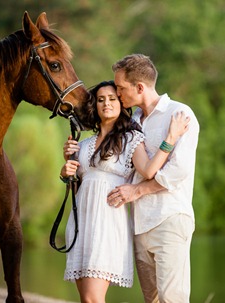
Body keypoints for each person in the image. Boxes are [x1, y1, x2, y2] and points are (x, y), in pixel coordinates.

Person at [60, 80, 190, 303]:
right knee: (86, 299)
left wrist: (170, 139)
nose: (106, 104)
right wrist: (66, 170)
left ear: (121, 105)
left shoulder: (130, 138)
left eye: (112, 99)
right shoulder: (83, 144)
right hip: (81, 222)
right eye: (101, 100)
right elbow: (78, 185)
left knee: (93, 298)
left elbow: (149, 171)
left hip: (107, 223)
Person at [107, 54, 200, 303]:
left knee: (173, 298)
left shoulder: (179, 113)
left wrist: (136, 192)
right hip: (139, 224)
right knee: (152, 299)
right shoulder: (132, 121)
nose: (117, 93)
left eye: (120, 88)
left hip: (169, 217)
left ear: (139, 87)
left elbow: (177, 171)